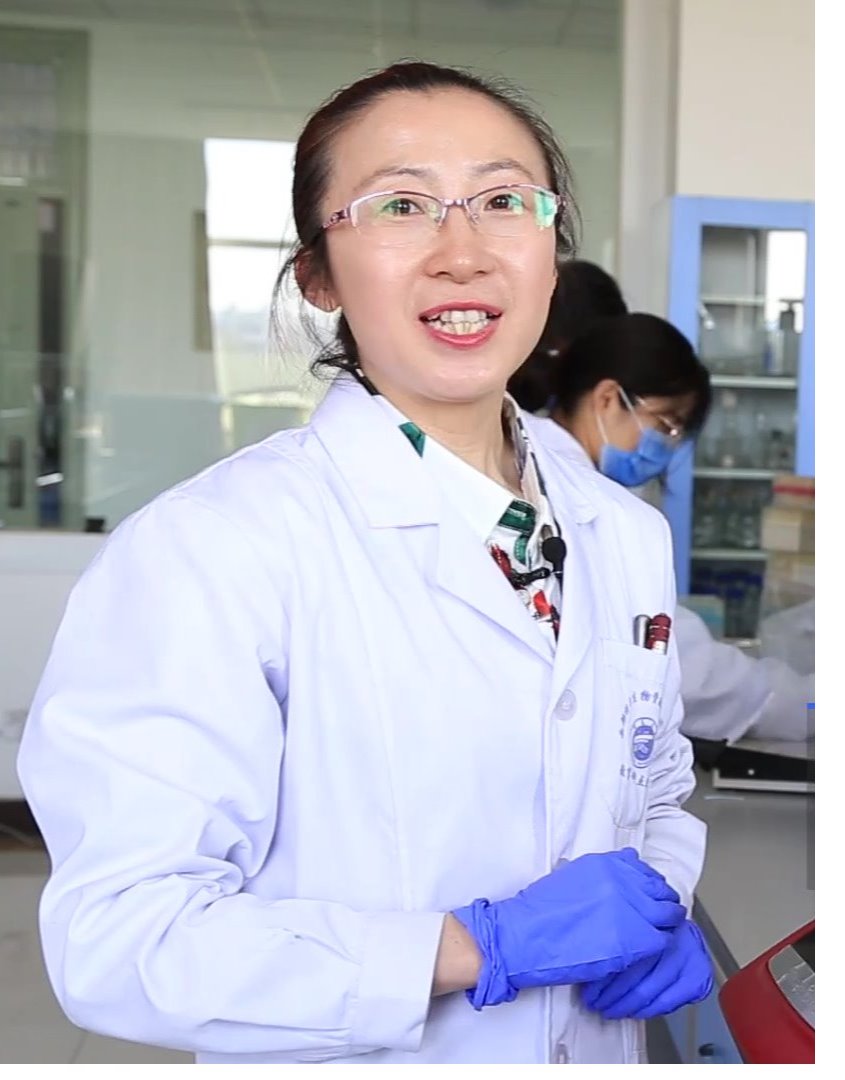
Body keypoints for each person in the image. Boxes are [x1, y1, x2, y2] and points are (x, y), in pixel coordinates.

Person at [17, 63, 710, 1066]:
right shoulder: (213, 549)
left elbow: (657, 785)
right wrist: (473, 949)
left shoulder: (620, 533)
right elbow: (121, 938)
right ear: (319, 275)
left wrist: (658, 898)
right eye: (400, 206)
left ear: (550, 253)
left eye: (503, 201)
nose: (462, 253)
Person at [510, 259, 814, 744]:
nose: (668, 446)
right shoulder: (574, 495)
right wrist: (807, 704)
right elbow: (672, 659)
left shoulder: (541, 458)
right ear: (608, 399)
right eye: (667, 424)